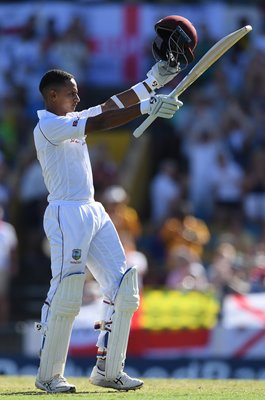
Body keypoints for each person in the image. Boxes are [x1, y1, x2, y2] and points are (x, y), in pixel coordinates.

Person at [32, 15, 197, 394]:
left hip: (92, 210)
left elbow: (110, 105)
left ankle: (108, 370)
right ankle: (48, 376)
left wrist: (155, 79)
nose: (76, 97)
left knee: (124, 288)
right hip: (65, 212)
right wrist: (146, 107)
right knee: (68, 292)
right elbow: (103, 121)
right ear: (52, 96)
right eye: (70, 92)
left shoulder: (72, 116)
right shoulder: (47, 125)